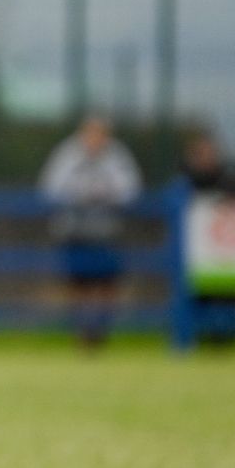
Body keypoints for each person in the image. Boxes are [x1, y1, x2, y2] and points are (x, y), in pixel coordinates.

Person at [38, 114, 141, 351]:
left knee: (107, 283)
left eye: (100, 134)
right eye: (91, 133)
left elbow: (131, 190)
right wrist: (79, 194)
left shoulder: (117, 155)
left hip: (108, 231)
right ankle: (81, 330)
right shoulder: (67, 154)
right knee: (78, 283)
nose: (95, 139)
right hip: (75, 231)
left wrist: (106, 194)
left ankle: (101, 329)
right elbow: (49, 188)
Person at [181, 128, 235, 347]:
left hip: (224, 250)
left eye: (210, 152)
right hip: (194, 251)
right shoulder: (185, 178)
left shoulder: (228, 177)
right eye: (201, 152)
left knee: (228, 292)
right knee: (196, 294)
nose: (206, 156)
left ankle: (228, 338)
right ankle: (197, 337)